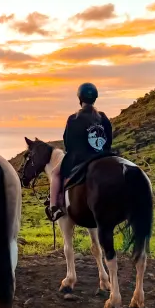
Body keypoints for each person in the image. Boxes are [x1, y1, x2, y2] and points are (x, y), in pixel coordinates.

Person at [48, 82, 113, 221]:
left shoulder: (74, 119)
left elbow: (68, 143)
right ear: (95, 98)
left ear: (80, 99)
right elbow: (109, 140)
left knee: (55, 173)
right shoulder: (103, 117)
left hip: (81, 158)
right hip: (102, 156)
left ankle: (54, 207)